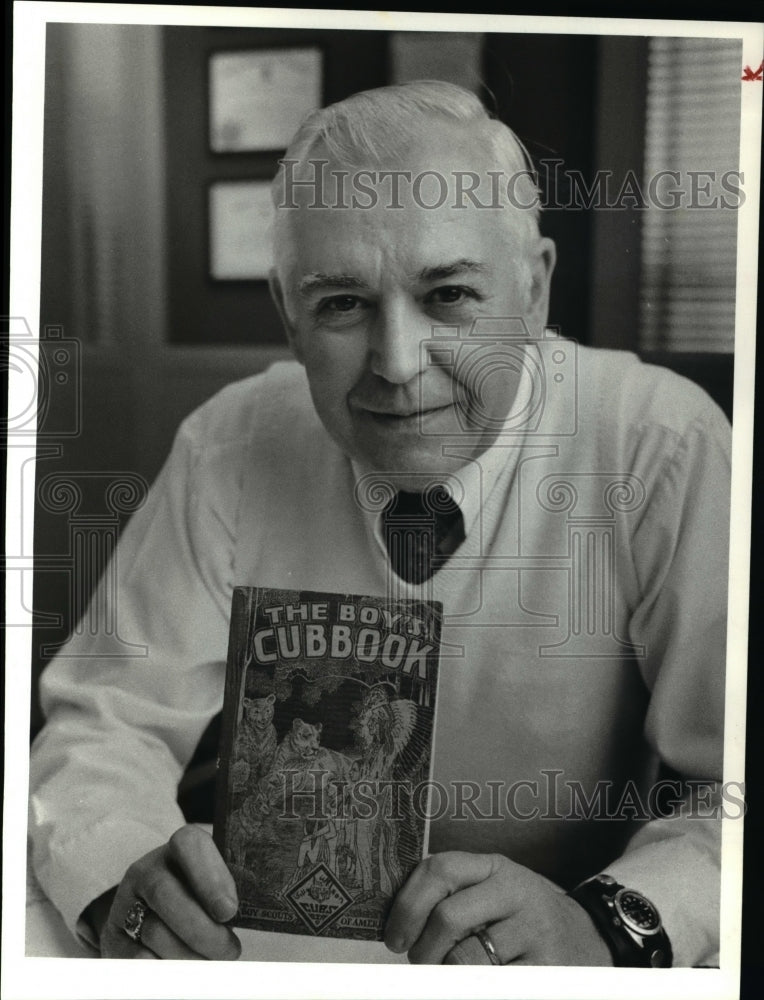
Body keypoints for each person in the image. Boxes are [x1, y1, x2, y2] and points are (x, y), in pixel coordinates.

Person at [28, 81, 731, 966]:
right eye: (343, 305)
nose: (398, 365)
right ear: (289, 314)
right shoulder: (227, 443)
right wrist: (113, 877)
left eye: (449, 297)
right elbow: (106, 720)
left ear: (536, 289)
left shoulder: (660, 443)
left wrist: (606, 926)